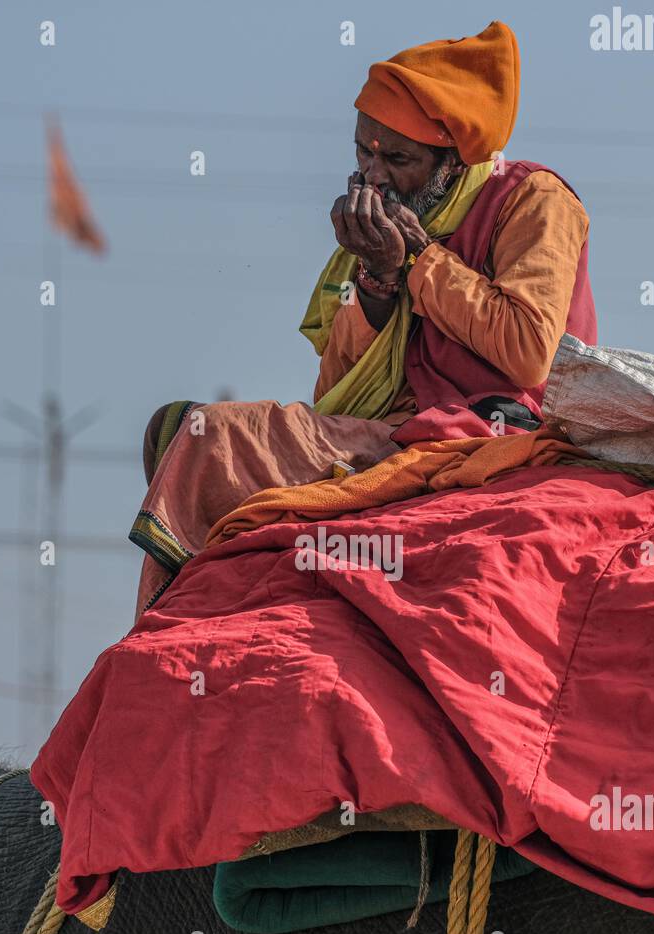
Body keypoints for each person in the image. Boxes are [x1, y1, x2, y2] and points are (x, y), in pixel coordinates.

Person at [133, 20, 597, 611]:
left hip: (490, 432)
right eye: (363, 152)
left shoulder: (534, 200)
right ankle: (173, 627)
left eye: (398, 159)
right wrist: (376, 278)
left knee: (206, 440)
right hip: (393, 431)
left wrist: (421, 263)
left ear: (453, 160)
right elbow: (338, 395)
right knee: (180, 428)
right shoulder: (390, 229)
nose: (374, 176)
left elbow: (530, 350)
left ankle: (164, 621)